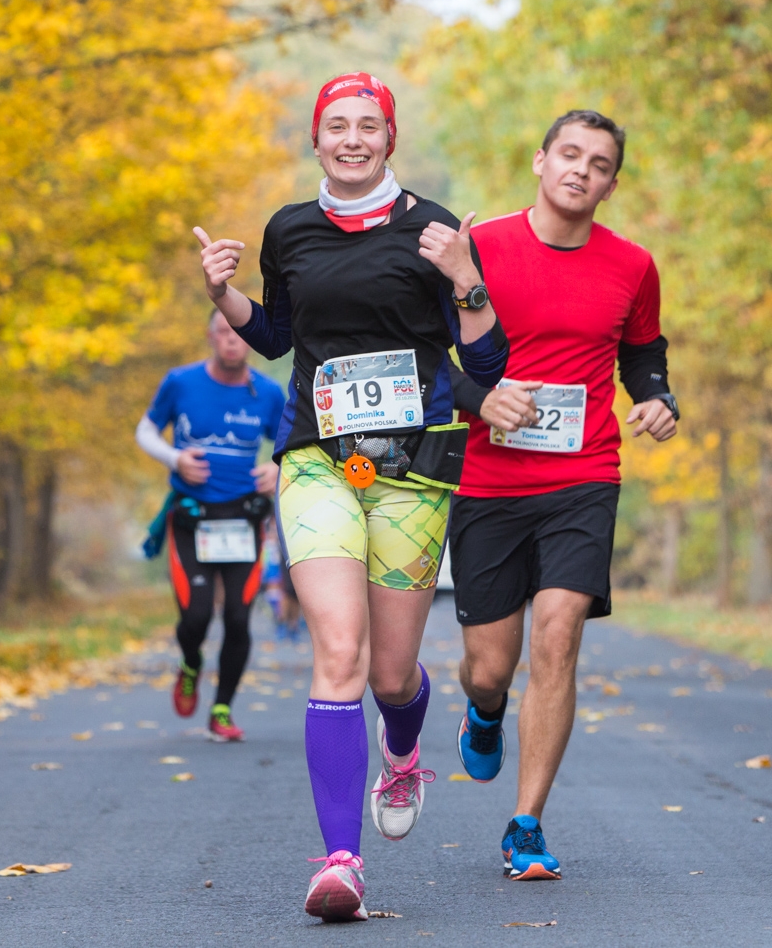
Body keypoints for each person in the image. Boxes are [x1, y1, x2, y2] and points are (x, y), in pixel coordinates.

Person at [195, 72, 508, 921]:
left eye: (369, 125)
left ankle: (402, 745)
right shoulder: (289, 228)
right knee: (337, 648)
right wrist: (223, 291)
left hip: (413, 468)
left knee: (391, 672)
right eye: (337, 125)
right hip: (319, 462)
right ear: (316, 137)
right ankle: (340, 862)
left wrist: (466, 275)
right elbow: (275, 335)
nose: (352, 138)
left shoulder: (435, 229)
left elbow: (485, 366)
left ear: (390, 138)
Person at [448, 110, 678, 880]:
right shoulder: (480, 247)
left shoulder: (633, 265)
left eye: (600, 163)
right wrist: (480, 398)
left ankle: (526, 822)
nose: (582, 169)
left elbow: (643, 350)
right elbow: (429, 351)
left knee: (558, 634)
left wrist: (658, 397)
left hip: (584, 474)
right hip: (487, 479)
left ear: (612, 183)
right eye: (570, 154)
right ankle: (484, 713)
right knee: (490, 665)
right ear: (540, 160)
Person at [136, 310, 284, 741]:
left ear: (250, 341)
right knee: (196, 616)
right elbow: (145, 432)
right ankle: (191, 664)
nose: (233, 340)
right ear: (211, 337)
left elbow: (291, 446)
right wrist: (175, 459)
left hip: (244, 519)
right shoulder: (181, 382)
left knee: (238, 619)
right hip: (191, 516)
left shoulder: (269, 393)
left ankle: (222, 709)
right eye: (224, 331)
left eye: (240, 333)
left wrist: (277, 469)